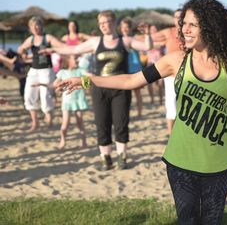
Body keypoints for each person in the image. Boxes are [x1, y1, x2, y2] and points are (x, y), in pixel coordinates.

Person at [57, 0, 227, 224]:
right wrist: (87, 81)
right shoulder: (175, 61)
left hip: (219, 161)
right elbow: (130, 80)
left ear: (209, 27)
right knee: (187, 221)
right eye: (183, 24)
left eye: (192, 25)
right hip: (182, 161)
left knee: (212, 221)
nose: (184, 30)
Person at [40, 10, 152, 170]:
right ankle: (105, 158)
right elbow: (73, 50)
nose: (104, 26)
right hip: (99, 88)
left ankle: (122, 157)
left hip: (121, 88)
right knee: (102, 123)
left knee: (121, 123)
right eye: (101, 23)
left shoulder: (125, 40)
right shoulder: (95, 42)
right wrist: (53, 50)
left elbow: (147, 46)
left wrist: (147, 33)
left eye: (106, 22)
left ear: (114, 23)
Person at [17, 16, 66, 131]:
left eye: (38, 25)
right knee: (29, 94)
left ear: (42, 26)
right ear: (30, 28)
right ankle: (35, 122)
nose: (36, 28)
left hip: (46, 70)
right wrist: (23, 53)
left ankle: (49, 120)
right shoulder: (31, 39)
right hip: (34, 70)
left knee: (46, 95)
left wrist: (56, 49)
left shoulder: (47, 37)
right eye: (33, 26)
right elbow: (20, 49)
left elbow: (61, 46)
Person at [151, 9, 182, 136]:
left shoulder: (192, 32)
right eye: (176, 17)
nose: (178, 19)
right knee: (171, 106)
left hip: (189, 74)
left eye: (181, 16)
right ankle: (171, 136)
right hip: (170, 75)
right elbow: (150, 39)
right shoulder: (169, 32)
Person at [53, 55, 88, 149]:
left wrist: (84, 85)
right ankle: (63, 141)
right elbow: (55, 84)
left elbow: (88, 82)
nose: (77, 60)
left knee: (80, 123)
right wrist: (60, 87)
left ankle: (84, 142)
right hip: (67, 102)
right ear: (67, 61)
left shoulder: (81, 70)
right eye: (74, 59)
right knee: (64, 125)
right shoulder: (62, 72)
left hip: (78, 100)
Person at [120, 17, 144, 117]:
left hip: (136, 69)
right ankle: (127, 113)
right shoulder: (118, 40)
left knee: (137, 93)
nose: (124, 29)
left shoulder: (135, 38)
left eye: (126, 27)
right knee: (125, 95)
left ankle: (139, 113)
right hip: (124, 69)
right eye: (123, 27)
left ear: (130, 28)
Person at [146, 25, 164, 105]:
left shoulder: (162, 38)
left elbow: (163, 45)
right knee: (149, 83)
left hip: (160, 62)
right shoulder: (147, 38)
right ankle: (152, 99)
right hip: (150, 63)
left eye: (154, 29)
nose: (153, 30)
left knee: (160, 84)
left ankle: (160, 100)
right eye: (151, 29)